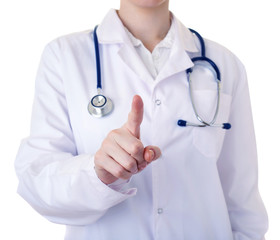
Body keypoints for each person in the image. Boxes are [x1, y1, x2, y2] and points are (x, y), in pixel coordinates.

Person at [15, 0, 268, 239]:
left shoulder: (224, 64)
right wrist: (98, 172)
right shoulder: (64, 57)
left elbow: (242, 198)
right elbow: (37, 178)